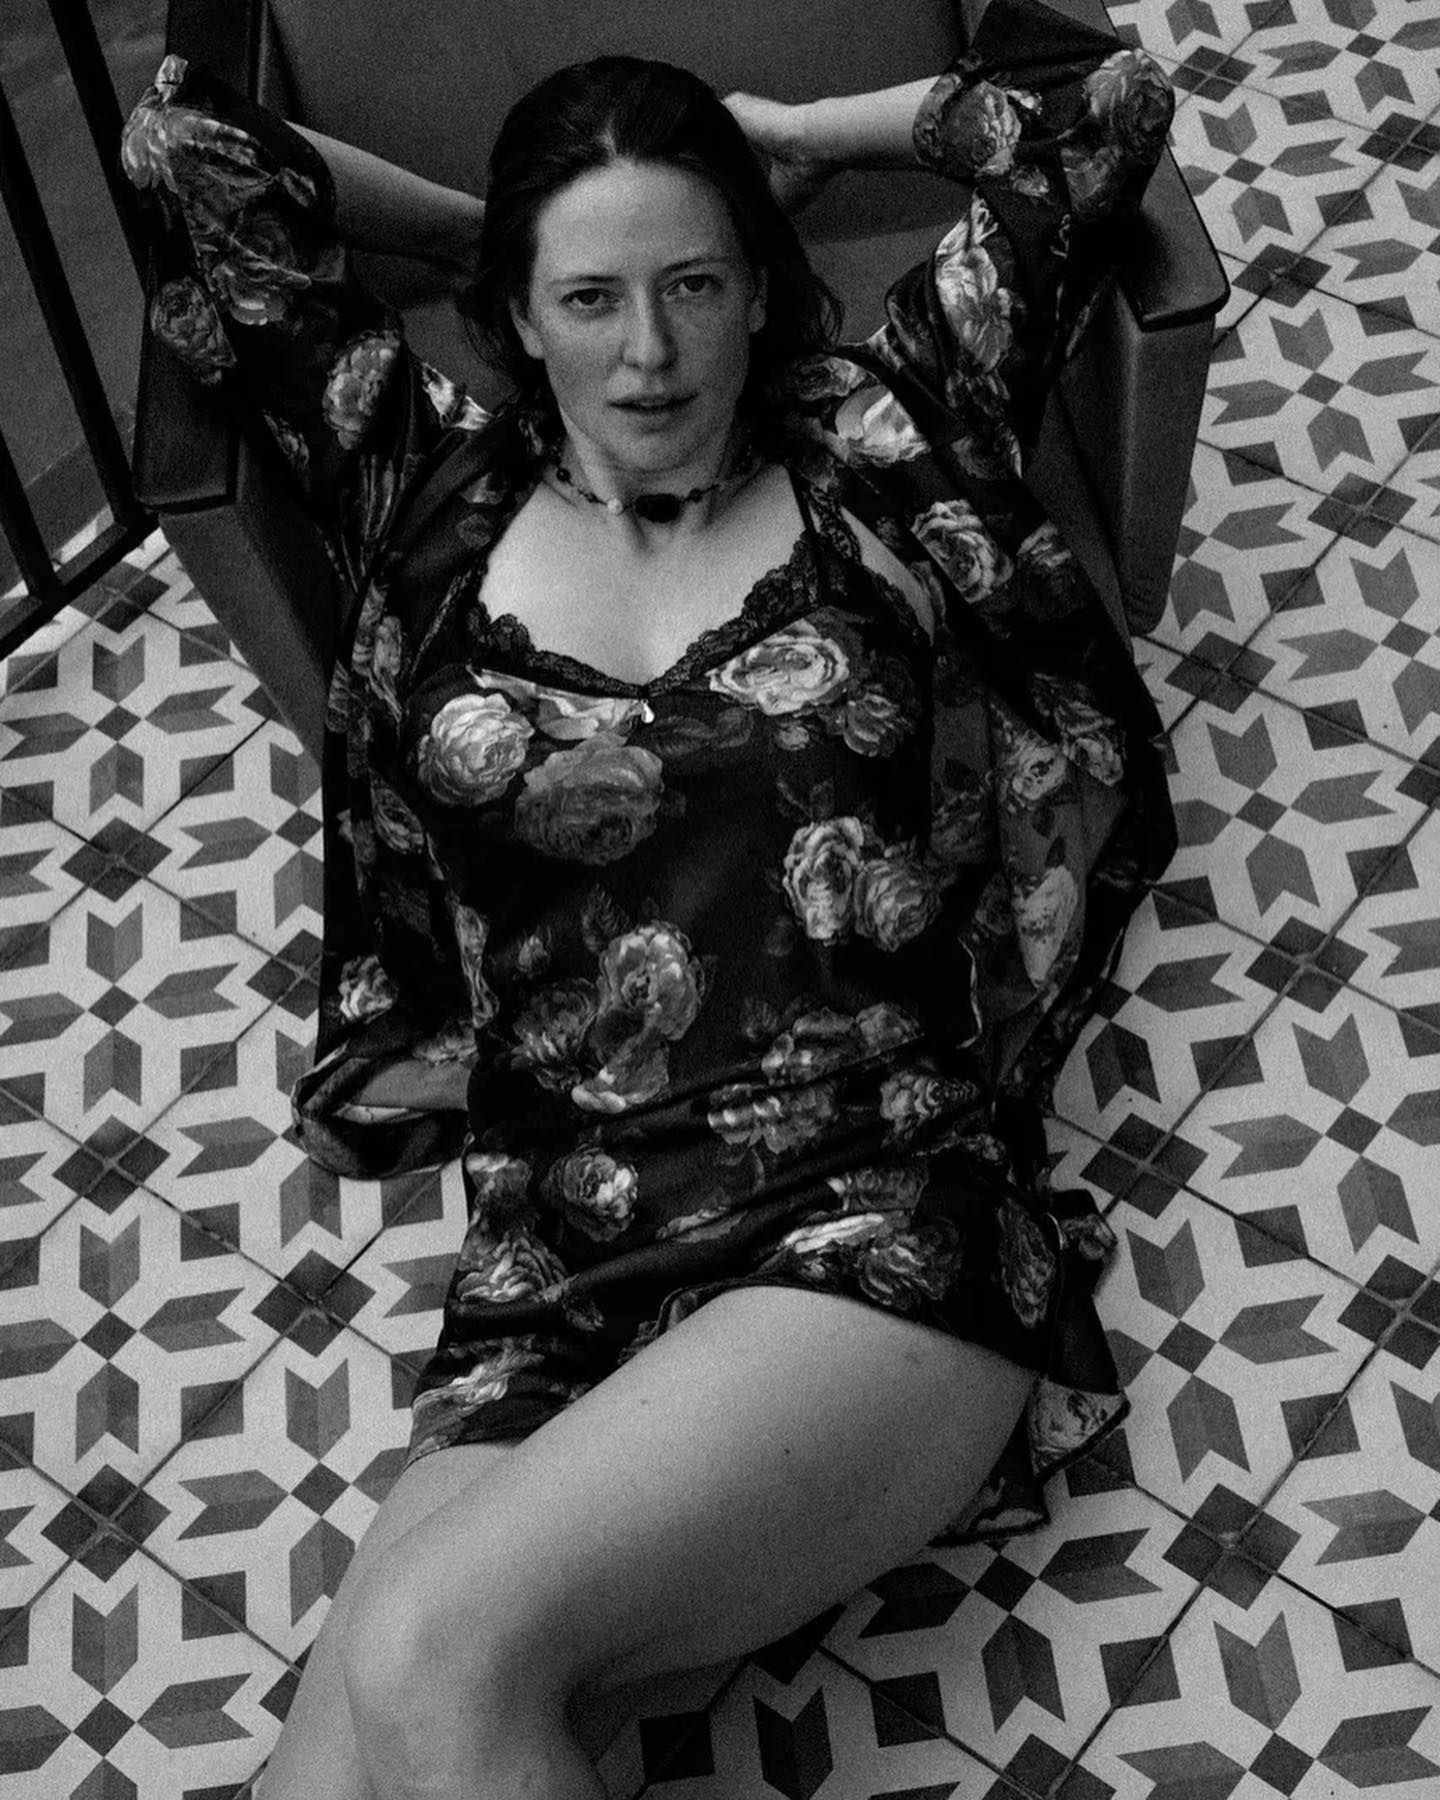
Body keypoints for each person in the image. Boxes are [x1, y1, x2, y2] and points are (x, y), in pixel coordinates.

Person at [122, 6, 1178, 1795]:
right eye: (592, 299)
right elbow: (182, 152)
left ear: (762, 289)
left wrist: (802, 138)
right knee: (335, 1762)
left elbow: (1104, 106)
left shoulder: (885, 431)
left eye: (695, 283)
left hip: (865, 1203)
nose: (649, 350)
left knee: (429, 1647)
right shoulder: (414, 474)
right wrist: (505, 222)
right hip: (555, 1264)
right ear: (520, 316)